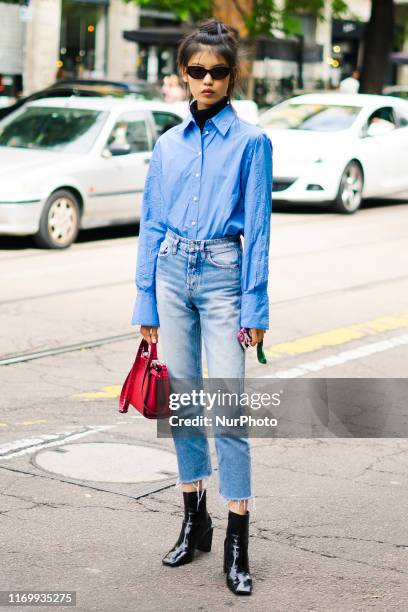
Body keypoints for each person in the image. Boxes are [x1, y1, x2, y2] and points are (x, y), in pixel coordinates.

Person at [131, 19, 272, 596]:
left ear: (231, 75)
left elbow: (258, 231)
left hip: (222, 278)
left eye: (217, 71)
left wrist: (255, 307)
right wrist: (146, 301)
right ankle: (195, 520)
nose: (207, 80)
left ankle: (238, 540)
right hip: (170, 275)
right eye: (196, 71)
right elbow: (150, 224)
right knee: (184, 407)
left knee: (228, 410)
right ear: (182, 74)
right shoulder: (167, 144)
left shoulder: (252, 142)